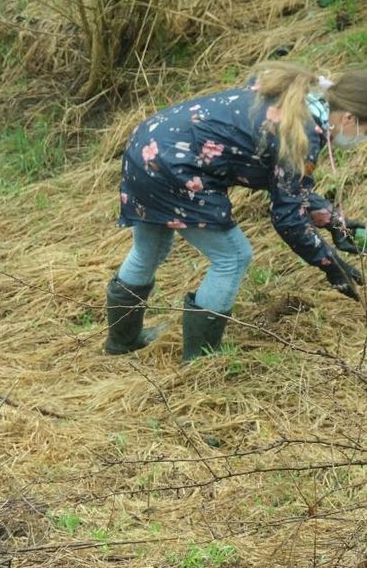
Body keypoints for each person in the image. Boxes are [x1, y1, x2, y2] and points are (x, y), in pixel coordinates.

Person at [103, 63, 367, 363]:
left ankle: (122, 341)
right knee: (233, 256)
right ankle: (201, 361)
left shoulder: (299, 103)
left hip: (147, 147)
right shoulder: (301, 134)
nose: (362, 141)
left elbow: (290, 188)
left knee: (148, 250)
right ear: (348, 117)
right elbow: (289, 219)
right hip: (174, 166)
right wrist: (333, 266)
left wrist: (335, 223)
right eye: (365, 131)